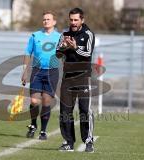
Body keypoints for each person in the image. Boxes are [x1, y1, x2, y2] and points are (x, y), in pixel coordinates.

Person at [56, 8, 95, 152]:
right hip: (67, 78)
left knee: (85, 110)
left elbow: (87, 53)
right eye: (71, 20)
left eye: (76, 20)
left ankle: (89, 141)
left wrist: (75, 47)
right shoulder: (64, 34)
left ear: (82, 20)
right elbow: (58, 54)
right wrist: (64, 47)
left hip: (83, 77)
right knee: (65, 111)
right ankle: (68, 142)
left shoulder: (88, 34)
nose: (73, 22)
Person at [22, 11, 61, 140]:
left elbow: (65, 54)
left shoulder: (60, 37)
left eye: (48, 19)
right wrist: (25, 70)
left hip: (52, 72)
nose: (46, 21)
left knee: (46, 100)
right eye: (44, 19)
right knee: (34, 101)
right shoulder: (35, 36)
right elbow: (28, 52)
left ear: (54, 22)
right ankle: (33, 125)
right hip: (37, 71)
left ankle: (43, 131)